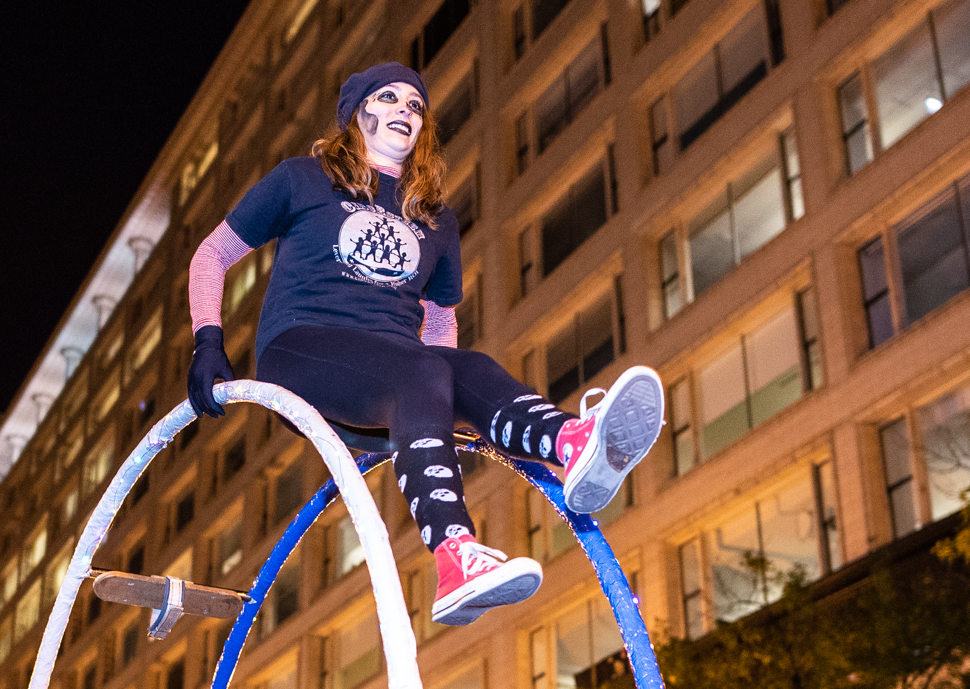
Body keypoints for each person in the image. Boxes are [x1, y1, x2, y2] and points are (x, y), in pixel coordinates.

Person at [184, 63, 665, 628]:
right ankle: (453, 554)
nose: (406, 111)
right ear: (357, 113)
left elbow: (439, 327)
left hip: (388, 377)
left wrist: (433, 412)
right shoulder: (303, 179)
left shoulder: (435, 221)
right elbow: (211, 254)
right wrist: (207, 341)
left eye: (416, 105)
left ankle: (570, 440)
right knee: (420, 369)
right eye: (389, 98)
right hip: (302, 354)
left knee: (469, 366)